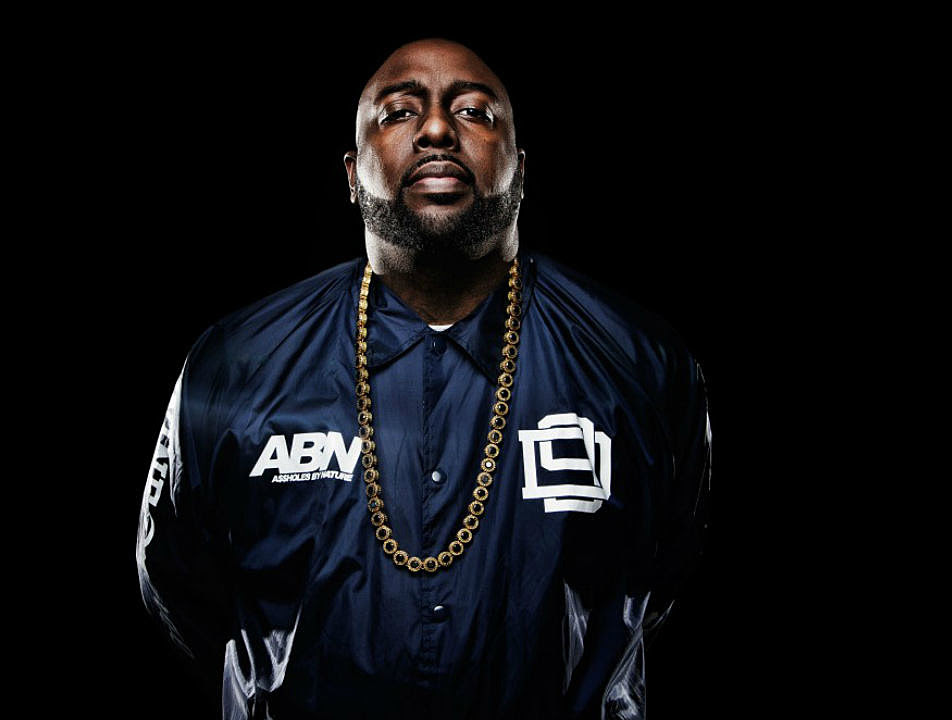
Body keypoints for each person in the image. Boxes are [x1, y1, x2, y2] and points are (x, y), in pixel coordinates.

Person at [136, 37, 711, 719]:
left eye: (473, 111)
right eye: (399, 112)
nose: (437, 128)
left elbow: (669, 571)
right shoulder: (237, 363)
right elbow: (180, 585)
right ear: (353, 174)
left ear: (520, 170)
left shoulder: (638, 362)